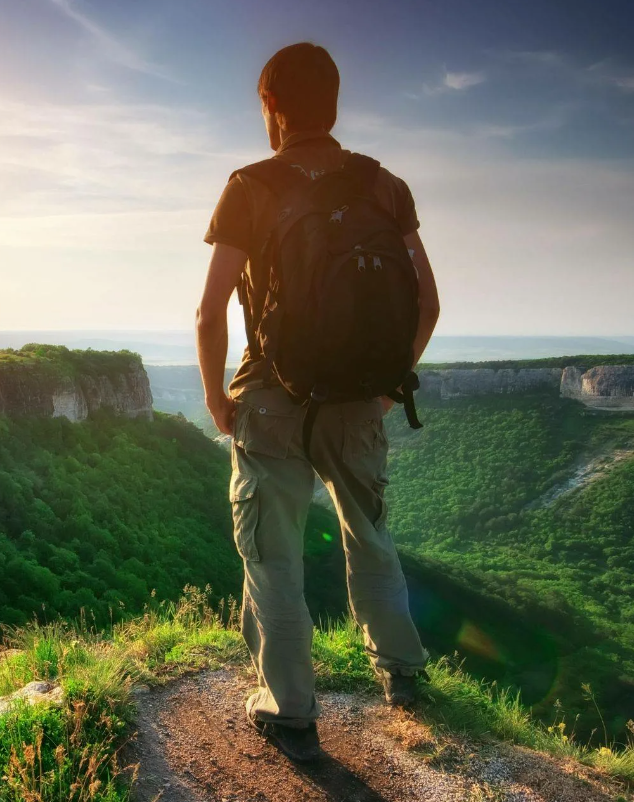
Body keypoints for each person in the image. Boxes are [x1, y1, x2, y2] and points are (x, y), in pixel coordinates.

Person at [195, 41, 441, 764]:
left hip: (271, 397)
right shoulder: (384, 186)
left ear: (270, 106)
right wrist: (387, 380)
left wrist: (215, 396)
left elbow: (210, 313)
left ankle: (289, 709)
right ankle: (401, 675)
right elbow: (426, 302)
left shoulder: (249, 184)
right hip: (360, 399)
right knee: (369, 533)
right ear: (334, 103)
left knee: (272, 553)